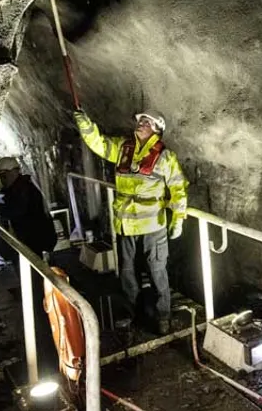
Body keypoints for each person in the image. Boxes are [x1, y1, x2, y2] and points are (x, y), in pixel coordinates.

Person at [74, 108, 188, 334]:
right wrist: (85, 124)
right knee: (127, 271)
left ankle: (162, 315)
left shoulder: (165, 157)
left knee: (157, 270)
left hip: (153, 224)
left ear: (157, 129)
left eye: (147, 121)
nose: (141, 123)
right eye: (140, 120)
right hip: (125, 223)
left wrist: (178, 219)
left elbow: (178, 190)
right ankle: (132, 311)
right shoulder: (123, 148)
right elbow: (99, 143)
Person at [0, 156, 58, 259]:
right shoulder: (18, 187)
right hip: (32, 237)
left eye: (3, 176)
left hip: (38, 239)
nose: (2, 180)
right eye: (1, 177)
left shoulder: (23, 188)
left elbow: (15, 210)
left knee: (37, 264)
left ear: (13, 172)